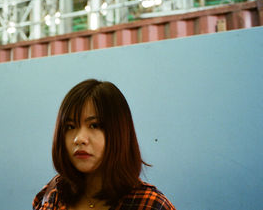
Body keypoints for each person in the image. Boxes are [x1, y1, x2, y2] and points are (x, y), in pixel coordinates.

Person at [33, 79, 176, 210]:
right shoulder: (52, 196)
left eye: (94, 125)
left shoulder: (150, 205)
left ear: (119, 132)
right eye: (70, 127)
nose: (79, 139)